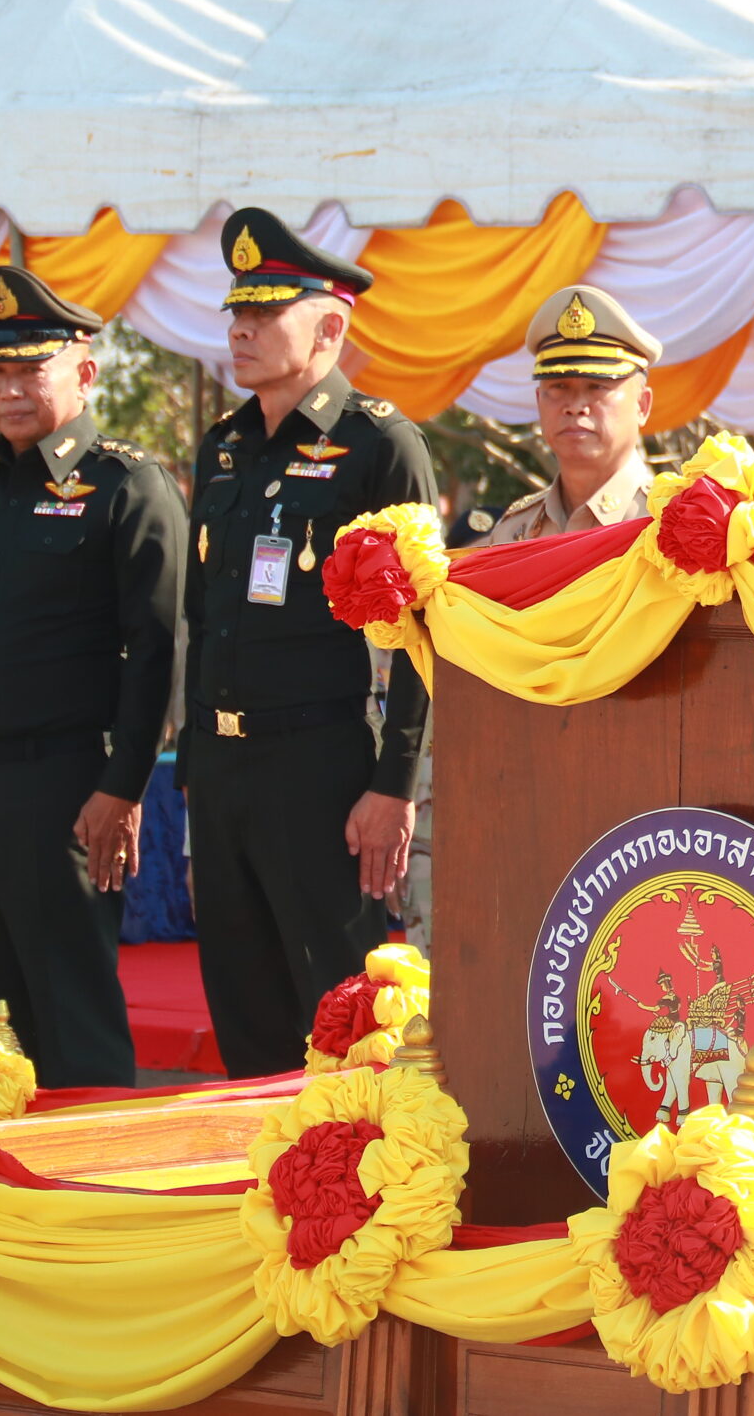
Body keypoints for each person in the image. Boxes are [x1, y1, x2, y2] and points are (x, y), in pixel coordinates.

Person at [0, 269, 182, 1086]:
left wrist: (122, 786)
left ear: (85, 373)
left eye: (31, 370)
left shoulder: (126, 485)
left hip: (62, 788)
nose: (10, 390)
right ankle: (0, 1169)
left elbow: (157, 650)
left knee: (71, 1018)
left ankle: (98, 1167)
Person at [183, 209, 437, 1080]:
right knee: (244, 1011)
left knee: (346, 1012)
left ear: (330, 327)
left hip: (318, 769)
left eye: (264, 312)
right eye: (236, 312)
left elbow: (422, 636)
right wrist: (192, 777)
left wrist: (393, 785)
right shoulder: (223, 447)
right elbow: (202, 618)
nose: (240, 329)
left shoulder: (379, 443)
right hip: (221, 769)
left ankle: (361, 1158)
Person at [485, 285, 664, 543]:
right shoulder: (513, 532)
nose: (576, 406)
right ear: (538, 402)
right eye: (559, 387)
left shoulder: (674, 524)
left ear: (642, 405)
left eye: (597, 387)